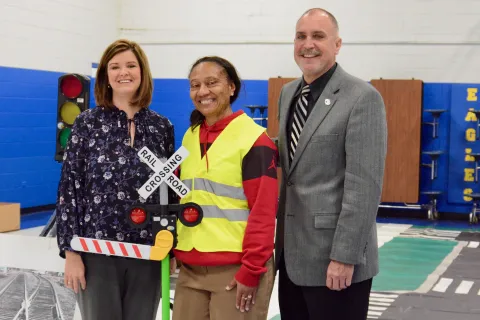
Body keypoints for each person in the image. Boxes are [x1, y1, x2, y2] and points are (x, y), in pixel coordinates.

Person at [275, 8, 388, 320]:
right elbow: (293, 162)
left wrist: (344, 257)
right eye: (301, 36)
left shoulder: (362, 97)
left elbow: (364, 187)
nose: (307, 44)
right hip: (291, 258)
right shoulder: (288, 93)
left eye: (318, 36)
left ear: (337, 45)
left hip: (335, 262)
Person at [55, 39, 176, 320]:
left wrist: (170, 244)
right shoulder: (87, 123)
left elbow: (169, 192)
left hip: (148, 251)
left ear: (142, 72)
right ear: (106, 76)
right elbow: (69, 188)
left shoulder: (162, 127)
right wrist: (70, 252)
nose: (124, 72)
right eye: (115, 66)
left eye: (131, 65)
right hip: (96, 252)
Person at [171, 56, 277, 320]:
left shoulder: (254, 140)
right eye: (195, 85)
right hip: (191, 268)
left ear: (231, 87)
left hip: (237, 269)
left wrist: (251, 269)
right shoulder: (190, 136)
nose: (202, 91)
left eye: (212, 82)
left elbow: (263, 212)